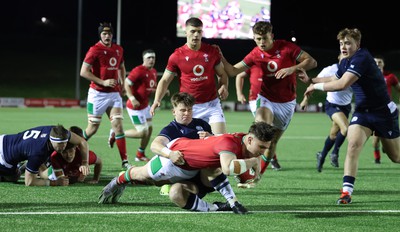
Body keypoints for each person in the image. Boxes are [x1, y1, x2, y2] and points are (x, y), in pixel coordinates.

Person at [300, 28, 400, 205]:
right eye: (341, 43)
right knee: (353, 145)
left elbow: (341, 84)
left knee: (396, 157)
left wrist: (315, 87)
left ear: (357, 45)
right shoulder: (346, 61)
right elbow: (334, 77)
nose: (343, 46)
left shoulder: (362, 58)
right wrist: (311, 81)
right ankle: (346, 192)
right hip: (363, 113)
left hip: (383, 112)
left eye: (348, 43)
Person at [98, 121, 277, 214]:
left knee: (179, 190)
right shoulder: (230, 143)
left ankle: (228, 204)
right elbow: (229, 168)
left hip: (195, 168)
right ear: (251, 140)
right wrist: (254, 164)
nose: (262, 153)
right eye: (261, 147)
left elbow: (225, 158)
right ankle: (118, 180)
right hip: (177, 158)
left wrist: (252, 170)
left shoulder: (243, 139)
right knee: (145, 176)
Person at [217, 21, 317, 175]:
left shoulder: (287, 47)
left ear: (272, 36)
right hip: (265, 98)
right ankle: (246, 169)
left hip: (286, 102)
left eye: (264, 38)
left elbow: (312, 62)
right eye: (258, 39)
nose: (261, 42)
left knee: (271, 142)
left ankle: (259, 174)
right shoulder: (255, 54)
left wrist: (292, 68)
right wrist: (221, 57)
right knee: (261, 131)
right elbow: (232, 71)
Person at [150, 17, 229, 135]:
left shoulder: (212, 52)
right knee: (191, 145)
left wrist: (224, 86)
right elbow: (165, 80)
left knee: (220, 140)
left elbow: (222, 74)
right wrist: (157, 99)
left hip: (212, 105)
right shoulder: (176, 56)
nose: (196, 35)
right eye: (193, 31)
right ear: (186, 32)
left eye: (199, 31)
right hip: (189, 108)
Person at [80, 22, 131, 169]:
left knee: (118, 127)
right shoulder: (94, 50)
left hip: (114, 94)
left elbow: (121, 66)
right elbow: (83, 72)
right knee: (92, 128)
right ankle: (71, 146)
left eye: (109, 34)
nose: (107, 36)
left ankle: (125, 162)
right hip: (97, 94)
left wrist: (122, 82)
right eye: (104, 34)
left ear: (112, 35)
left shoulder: (118, 49)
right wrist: (102, 81)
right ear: (100, 35)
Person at [301, 54, 353, 172]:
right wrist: (305, 99)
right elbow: (313, 84)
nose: (346, 59)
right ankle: (335, 153)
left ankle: (322, 155)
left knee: (333, 135)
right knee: (345, 128)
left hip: (346, 107)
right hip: (332, 105)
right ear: (338, 58)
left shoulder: (353, 71)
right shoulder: (330, 70)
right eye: (343, 57)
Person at [108, 49, 158, 162]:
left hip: (145, 106)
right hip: (135, 108)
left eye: (153, 57)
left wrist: (160, 91)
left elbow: (149, 88)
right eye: (149, 57)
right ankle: (117, 133)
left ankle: (140, 154)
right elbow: (126, 83)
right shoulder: (138, 70)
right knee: (142, 132)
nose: (151, 60)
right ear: (144, 59)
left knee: (149, 129)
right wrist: (132, 98)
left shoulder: (153, 71)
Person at [0, 125, 90, 186]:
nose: (63, 147)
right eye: (59, 144)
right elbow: (29, 182)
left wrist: (85, 163)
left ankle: (26, 167)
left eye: (65, 143)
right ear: (51, 141)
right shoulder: (39, 151)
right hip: (3, 157)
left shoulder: (57, 131)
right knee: (14, 177)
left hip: (5, 139)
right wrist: (54, 183)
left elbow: (82, 141)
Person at [235, 65, 281, 171]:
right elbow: (239, 75)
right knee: (262, 130)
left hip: (274, 101)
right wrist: (239, 93)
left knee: (268, 131)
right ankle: (254, 161)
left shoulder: (275, 65)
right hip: (255, 100)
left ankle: (270, 157)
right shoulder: (254, 63)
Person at [371, 55, 400, 164]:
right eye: (375, 62)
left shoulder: (390, 77)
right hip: (374, 111)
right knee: (375, 140)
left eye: (380, 62)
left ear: (383, 64)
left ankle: (387, 147)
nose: (377, 64)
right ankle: (377, 157)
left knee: (390, 136)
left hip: (388, 111)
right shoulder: (369, 77)